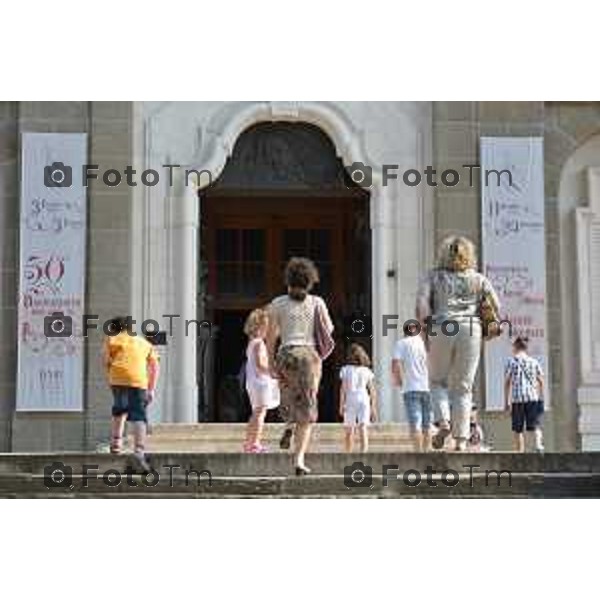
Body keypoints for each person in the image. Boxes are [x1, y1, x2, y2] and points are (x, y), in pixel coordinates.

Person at [416, 236, 501, 452]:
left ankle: (443, 422)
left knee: (437, 381)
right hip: (471, 328)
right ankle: (461, 441)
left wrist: (425, 333)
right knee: (463, 387)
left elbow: (422, 306)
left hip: (442, 325)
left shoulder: (433, 277)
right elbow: (496, 305)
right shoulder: (479, 279)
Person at [267, 257, 334, 475]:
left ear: (288, 280)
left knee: (288, 395)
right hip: (309, 355)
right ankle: (299, 460)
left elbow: (270, 337)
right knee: (307, 408)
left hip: (286, 353)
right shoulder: (317, 302)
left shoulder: (277, 303)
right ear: (310, 281)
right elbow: (329, 330)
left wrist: (269, 362)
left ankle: (287, 425)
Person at [104, 317, 160, 472]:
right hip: (138, 380)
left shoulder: (112, 339)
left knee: (119, 409)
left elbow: (107, 362)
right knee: (138, 415)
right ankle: (139, 449)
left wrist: (111, 379)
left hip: (118, 379)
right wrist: (151, 389)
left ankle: (116, 444)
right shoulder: (144, 343)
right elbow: (155, 366)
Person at [243, 308, 280, 453]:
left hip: (253, 382)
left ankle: (249, 443)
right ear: (260, 327)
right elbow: (260, 365)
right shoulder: (259, 343)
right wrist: (274, 371)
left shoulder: (252, 342)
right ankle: (254, 444)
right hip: (260, 383)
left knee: (256, 412)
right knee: (260, 413)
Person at [392, 322, 432, 452]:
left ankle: (418, 453)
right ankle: (426, 452)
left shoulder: (401, 343)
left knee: (415, 424)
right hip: (427, 387)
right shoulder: (424, 343)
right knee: (427, 424)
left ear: (405, 332)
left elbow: (396, 363)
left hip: (411, 387)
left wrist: (399, 381)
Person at [504, 336, 545, 453]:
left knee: (518, 429)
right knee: (535, 425)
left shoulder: (511, 362)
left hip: (517, 399)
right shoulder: (534, 362)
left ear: (516, 346)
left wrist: (506, 401)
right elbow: (541, 381)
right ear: (526, 348)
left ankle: (520, 452)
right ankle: (538, 445)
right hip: (532, 397)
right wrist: (541, 398)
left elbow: (507, 383)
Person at [339, 343, 377, 452]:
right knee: (363, 427)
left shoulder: (345, 370)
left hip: (351, 399)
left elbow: (343, 389)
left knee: (349, 429)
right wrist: (373, 407)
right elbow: (372, 391)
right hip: (364, 399)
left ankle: (348, 452)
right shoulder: (366, 371)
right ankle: (364, 452)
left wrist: (341, 405)